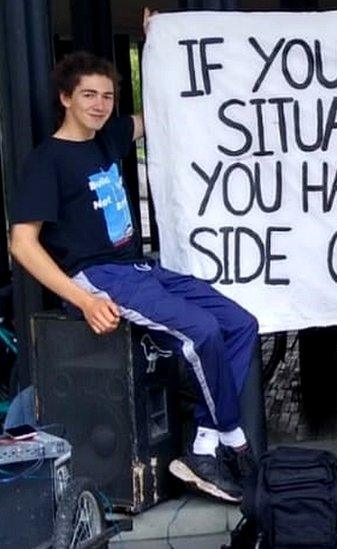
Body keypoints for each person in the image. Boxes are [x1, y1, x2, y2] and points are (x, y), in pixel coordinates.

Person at [8, 51, 258, 503]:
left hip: (141, 269)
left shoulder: (108, 139)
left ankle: (204, 445)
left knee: (241, 323)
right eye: (88, 95)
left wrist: (159, 43)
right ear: (66, 98)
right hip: (98, 277)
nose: (100, 104)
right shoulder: (48, 160)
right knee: (200, 331)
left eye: (107, 96)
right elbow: (22, 243)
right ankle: (232, 439)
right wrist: (82, 300)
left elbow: (156, 112)